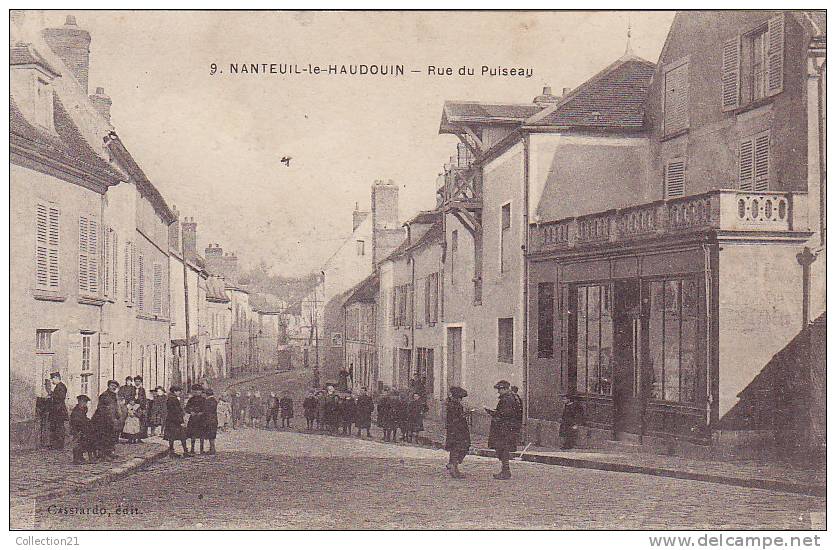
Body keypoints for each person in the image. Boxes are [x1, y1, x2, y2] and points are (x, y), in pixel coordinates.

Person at [487, 380, 522, 480]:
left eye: (500, 389)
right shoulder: (513, 397)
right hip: (509, 428)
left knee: (503, 449)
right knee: (503, 449)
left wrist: (493, 413)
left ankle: (505, 471)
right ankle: (505, 470)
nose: (498, 391)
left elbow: (505, 414)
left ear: (505, 389)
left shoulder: (507, 399)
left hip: (504, 429)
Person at [445, 386, 471, 478]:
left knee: (455, 447)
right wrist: (465, 414)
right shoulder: (455, 405)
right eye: (460, 398)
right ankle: (454, 467)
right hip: (458, 430)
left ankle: (452, 464)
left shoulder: (452, 404)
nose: (461, 400)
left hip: (455, 429)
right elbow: (456, 418)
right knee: (460, 447)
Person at [91, 380, 119, 460]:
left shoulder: (114, 395)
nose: (113, 387)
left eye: (115, 386)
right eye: (112, 386)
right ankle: (103, 454)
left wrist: (117, 415)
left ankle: (110, 452)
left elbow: (115, 406)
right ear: (108, 386)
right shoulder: (104, 395)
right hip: (103, 420)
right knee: (104, 437)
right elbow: (100, 408)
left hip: (111, 419)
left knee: (111, 436)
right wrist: (106, 416)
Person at [164, 385, 191, 458]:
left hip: (171, 420)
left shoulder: (170, 398)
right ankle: (185, 451)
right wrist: (181, 421)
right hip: (175, 421)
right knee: (182, 436)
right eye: (179, 391)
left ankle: (172, 451)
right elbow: (176, 411)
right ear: (175, 391)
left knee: (172, 437)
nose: (180, 393)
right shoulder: (174, 399)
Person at [69, 394, 94, 464]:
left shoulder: (83, 410)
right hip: (77, 430)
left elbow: (84, 418)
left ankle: (81, 457)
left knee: (85, 442)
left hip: (83, 429)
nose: (85, 404)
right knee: (78, 443)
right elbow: (76, 422)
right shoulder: (76, 411)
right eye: (83, 402)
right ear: (79, 402)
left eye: (86, 402)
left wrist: (88, 421)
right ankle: (76, 459)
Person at [47, 371, 69, 450]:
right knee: (55, 427)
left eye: (52, 379)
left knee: (59, 428)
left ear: (56, 378)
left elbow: (60, 397)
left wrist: (51, 394)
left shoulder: (61, 386)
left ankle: (59, 445)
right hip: (57, 410)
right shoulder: (58, 386)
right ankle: (55, 445)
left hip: (59, 411)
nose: (52, 381)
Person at [185, 384, 207, 455]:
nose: (197, 392)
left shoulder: (204, 400)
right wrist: (191, 412)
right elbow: (186, 408)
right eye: (195, 391)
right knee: (193, 434)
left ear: (201, 391)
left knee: (202, 434)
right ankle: (192, 449)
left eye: (198, 391)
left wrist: (202, 412)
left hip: (201, 419)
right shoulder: (191, 400)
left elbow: (207, 409)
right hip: (193, 419)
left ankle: (201, 449)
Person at [203, 389, 219, 455]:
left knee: (210, 435)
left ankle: (212, 449)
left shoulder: (208, 401)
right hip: (214, 419)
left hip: (209, 420)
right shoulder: (214, 400)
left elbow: (206, 411)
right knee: (212, 435)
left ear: (206, 394)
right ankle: (212, 448)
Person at [134, 376, 148, 440]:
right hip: (133, 406)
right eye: (136, 381)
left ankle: (139, 438)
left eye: (139, 381)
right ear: (134, 382)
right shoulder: (132, 389)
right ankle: (132, 438)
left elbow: (144, 399)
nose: (137, 383)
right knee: (133, 422)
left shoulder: (142, 390)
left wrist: (143, 408)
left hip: (140, 407)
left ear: (141, 382)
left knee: (141, 422)